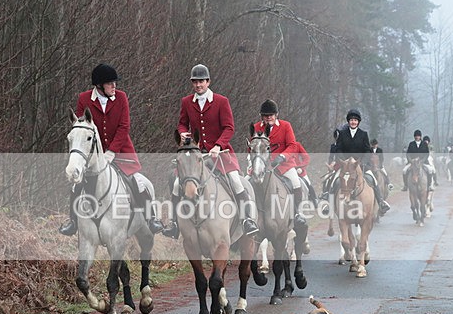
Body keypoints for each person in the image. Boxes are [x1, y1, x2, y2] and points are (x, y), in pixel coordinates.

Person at [59, 63, 163, 236]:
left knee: (138, 183)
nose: (114, 86)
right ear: (99, 85)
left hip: (121, 152)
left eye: (114, 83)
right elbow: (82, 127)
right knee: (76, 186)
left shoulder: (121, 97)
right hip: (93, 155)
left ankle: (151, 218)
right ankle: (73, 221)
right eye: (110, 83)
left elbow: (124, 127)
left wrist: (112, 151)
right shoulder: (84, 99)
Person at [163, 63, 259, 239]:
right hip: (196, 154)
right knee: (177, 184)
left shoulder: (221, 101)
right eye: (195, 82)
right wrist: (183, 132)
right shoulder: (186, 102)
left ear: (208, 82)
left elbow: (229, 127)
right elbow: (182, 123)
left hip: (221, 154)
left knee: (236, 181)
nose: (198, 85)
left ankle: (247, 220)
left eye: (201, 81)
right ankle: (174, 224)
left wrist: (218, 145)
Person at [323, 108, 391, 215]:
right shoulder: (342, 133)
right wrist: (344, 160)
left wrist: (362, 162)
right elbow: (338, 149)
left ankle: (381, 202)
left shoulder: (363, 134)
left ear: (358, 122)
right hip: (345, 165)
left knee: (372, 178)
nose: (353, 122)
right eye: (351, 120)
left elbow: (367, 150)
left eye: (355, 120)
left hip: (360, 164)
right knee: (335, 180)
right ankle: (328, 203)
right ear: (348, 121)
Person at [251, 99, 307, 228]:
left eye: (271, 115)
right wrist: (251, 163)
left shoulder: (285, 126)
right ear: (261, 116)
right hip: (261, 165)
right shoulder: (256, 127)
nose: (268, 117)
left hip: (283, 165)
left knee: (296, 183)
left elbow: (292, 145)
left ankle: (297, 213)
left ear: (276, 115)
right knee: (248, 182)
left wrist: (282, 157)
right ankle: (249, 217)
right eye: (265, 115)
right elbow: (252, 148)